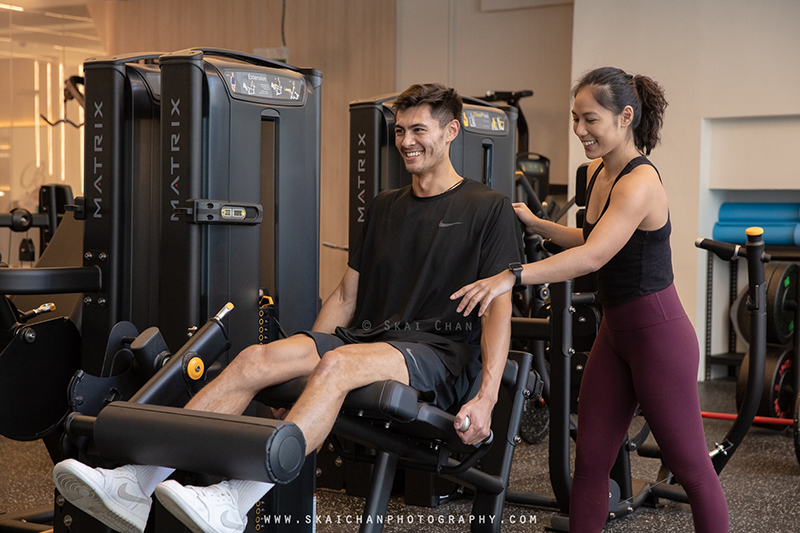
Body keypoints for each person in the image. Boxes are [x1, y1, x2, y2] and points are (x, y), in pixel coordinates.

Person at [53, 83, 522, 533]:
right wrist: (300, 372)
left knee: (336, 365)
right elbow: (344, 296)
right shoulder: (385, 206)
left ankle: (234, 501)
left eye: (419, 130)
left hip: (436, 353)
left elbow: (499, 309)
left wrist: (487, 396)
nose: (406, 141)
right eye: (400, 130)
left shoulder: (489, 207)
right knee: (254, 360)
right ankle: (137, 481)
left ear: (451, 131)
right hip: (371, 340)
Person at [452, 67, 729, 532]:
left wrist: (511, 277)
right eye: (574, 118)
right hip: (615, 334)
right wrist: (539, 224)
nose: (580, 130)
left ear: (625, 117)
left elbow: (594, 256)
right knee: (591, 464)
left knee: (691, 471)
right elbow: (590, 235)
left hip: (659, 337)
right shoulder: (597, 172)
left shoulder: (640, 183)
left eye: (590, 120)